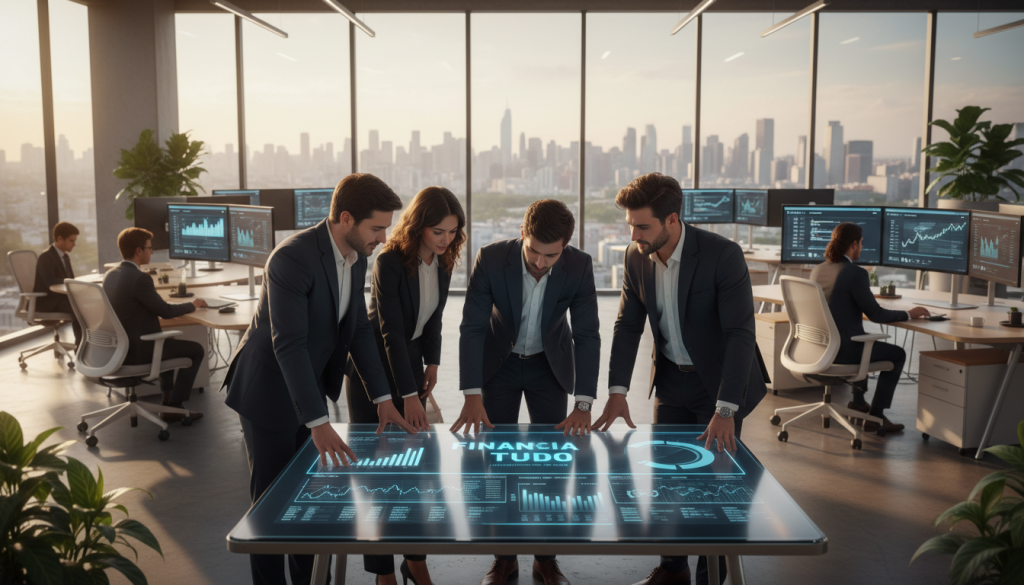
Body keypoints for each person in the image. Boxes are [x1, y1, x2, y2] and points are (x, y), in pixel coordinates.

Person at [223, 173, 417, 585]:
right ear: (346, 218)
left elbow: (360, 330)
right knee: (271, 506)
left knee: (308, 502)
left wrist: (382, 397)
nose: (383, 238)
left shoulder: (357, 254)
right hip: (269, 392)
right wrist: (319, 421)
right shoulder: (292, 258)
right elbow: (289, 344)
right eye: (377, 227)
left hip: (305, 386)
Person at [594, 173, 769, 585]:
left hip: (719, 384)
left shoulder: (721, 255)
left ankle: (714, 576)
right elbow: (627, 326)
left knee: (716, 486)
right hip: (671, 380)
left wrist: (727, 409)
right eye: (630, 226)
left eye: (642, 226)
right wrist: (617, 391)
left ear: (672, 220)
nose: (633, 234)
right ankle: (673, 569)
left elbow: (741, 334)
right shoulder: (636, 257)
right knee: (668, 479)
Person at [452, 199, 600, 585]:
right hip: (498, 364)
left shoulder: (579, 265)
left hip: (548, 365)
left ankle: (546, 559)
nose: (539, 261)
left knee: (552, 464)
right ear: (522, 233)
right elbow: (471, 327)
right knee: (498, 464)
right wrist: (471, 393)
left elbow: (587, 335)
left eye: (550, 255)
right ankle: (505, 560)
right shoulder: (490, 258)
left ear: (565, 246)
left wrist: (584, 402)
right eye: (533, 250)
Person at [345, 186, 466, 585]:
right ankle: (383, 574)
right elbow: (391, 333)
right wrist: (408, 395)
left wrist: (432, 363)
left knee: (417, 475)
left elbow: (434, 318)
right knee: (377, 477)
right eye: (438, 232)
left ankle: (415, 562)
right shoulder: (390, 262)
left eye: (452, 231)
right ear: (418, 227)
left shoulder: (444, 261)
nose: (446, 239)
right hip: (373, 372)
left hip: (411, 362)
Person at [809, 222, 930, 433]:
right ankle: (876, 416)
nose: (862, 247)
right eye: (862, 243)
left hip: (818, 347)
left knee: (862, 337)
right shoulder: (855, 273)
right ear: (854, 244)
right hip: (842, 352)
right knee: (897, 354)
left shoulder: (818, 270)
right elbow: (876, 314)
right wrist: (909, 314)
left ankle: (858, 402)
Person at [102, 228, 207, 421]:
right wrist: (192, 305)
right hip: (138, 351)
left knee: (168, 342)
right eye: (150, 248)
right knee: (196, 350)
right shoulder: (140, 279)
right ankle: (175, 407)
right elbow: (165, 312)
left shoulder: (111, 275)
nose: (152, 252)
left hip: (117, 348)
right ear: (138, 251)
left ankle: (167, 403)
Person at [33, 221, 83, 347]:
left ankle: (87, 345)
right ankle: (81, 348)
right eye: (71, 241)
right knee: (80, 308)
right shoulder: (46, 257)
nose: (74, 244)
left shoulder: (65, 257)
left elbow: (69, 278)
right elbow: (50, 282)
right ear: (60, 239)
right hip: (48, 302)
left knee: (86, 304)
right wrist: (70, 282)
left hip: (60, 298)